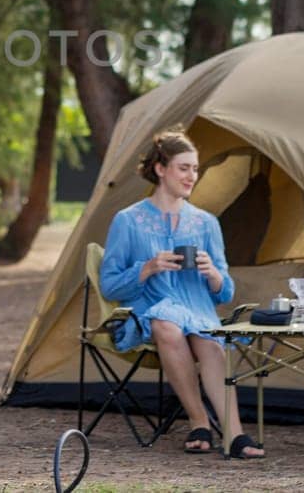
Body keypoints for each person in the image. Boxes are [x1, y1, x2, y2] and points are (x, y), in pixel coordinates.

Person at [100, 129, 265, 459]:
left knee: (205, 337)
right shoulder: (128, 221)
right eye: (184, 167)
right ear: (161, 169)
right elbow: (109, 285)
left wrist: (213, 274)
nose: (192, 176)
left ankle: (234, 433)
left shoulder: (206, 223)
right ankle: (198, 421)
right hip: (149, 311)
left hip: (198, 310)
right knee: (165, 323)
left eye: (195, 169)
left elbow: (224, 294)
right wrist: (147, 268)